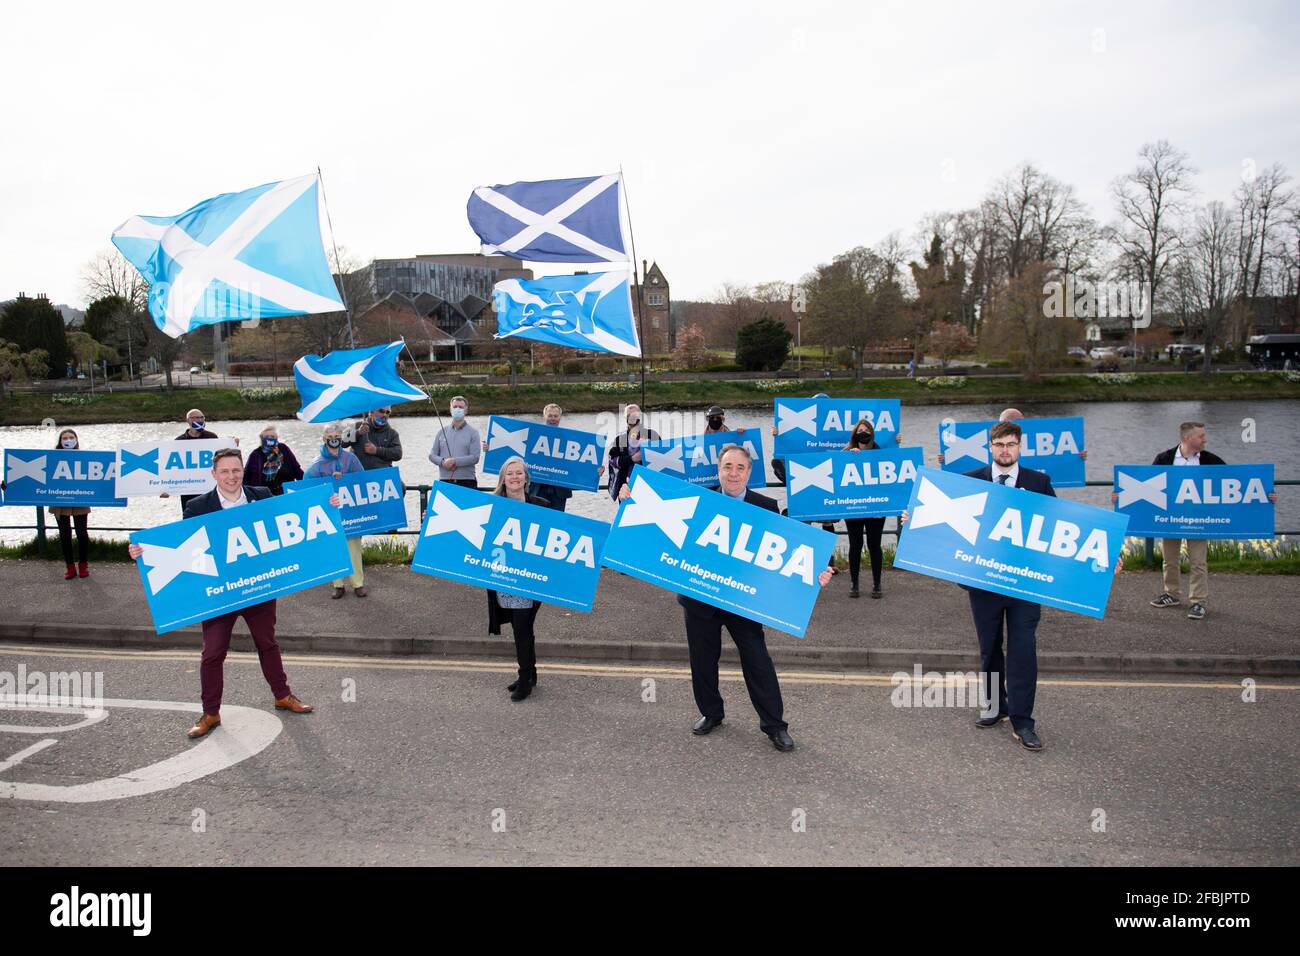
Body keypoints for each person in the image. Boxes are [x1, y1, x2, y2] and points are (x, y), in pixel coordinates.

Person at [620, 443, 834, 752]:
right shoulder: (696, 500)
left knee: (758, 660)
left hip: (744, 600)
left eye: (740, 468)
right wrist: (630, 497)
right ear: (718, 470)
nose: (733, 473)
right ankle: (711, 713)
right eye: (727, 467)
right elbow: (653, 519)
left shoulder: (766, 507)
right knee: (703, 660)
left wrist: (817, 572)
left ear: (749, 472)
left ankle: (775, 725)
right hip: (699, 597)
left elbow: (790, 554)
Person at [127, 448, 322, 739]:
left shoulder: (262, 495)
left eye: (236, 470)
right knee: (213, 653)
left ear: (243, 471)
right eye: (225, 471)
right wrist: (142, 552)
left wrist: (327, 504)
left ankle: (283, 695)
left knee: (267, 643)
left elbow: (295, 519)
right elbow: (179, 545)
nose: (231, 476)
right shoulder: (197, 506)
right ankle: (211, 713)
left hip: (259, 587)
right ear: (214, 474)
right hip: (220, 594)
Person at [1130, 421, 1276, 621]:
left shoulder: (1210, 460)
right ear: (1187, 438)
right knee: (1169, 559)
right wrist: (1120, 495)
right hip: (1170, 519)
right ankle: (1171, 594)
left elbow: (1237, 484)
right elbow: (1146, 486)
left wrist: (1265, 495)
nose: (1205, 439)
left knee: (1198, 562)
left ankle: (1198, 602)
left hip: (1200, 520)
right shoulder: (1164, 458)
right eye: (1201, 436)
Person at [486, 457, 550, 701]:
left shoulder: (541, 506)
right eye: (510, 473)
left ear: (526, 477)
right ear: (503, 478)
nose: (514, 477)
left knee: (522, 627)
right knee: (521, 628)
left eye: (519, 473)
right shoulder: (493, 505)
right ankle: (530, 674)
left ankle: (525, 680)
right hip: (505, 579)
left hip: (533, 579)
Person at [306, 423, 367, 599]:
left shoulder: (351, 459)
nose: (333, 439)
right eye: (330, 436)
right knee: (333, 547)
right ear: (324, 438)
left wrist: (345, 479)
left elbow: (361, 479)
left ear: (342, 438)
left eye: (337, 435)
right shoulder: (316, 463)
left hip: (349, 511)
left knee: (354, 547)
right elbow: (308, 484)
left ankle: (358, 583)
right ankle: (338, 584)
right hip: (329, 511)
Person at [938, 407, 1086, 466]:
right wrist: (948, 458)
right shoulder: (990, 441)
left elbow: (1056, 462)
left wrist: (1076, 457)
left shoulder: (1038, 440)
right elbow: (967, 469)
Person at [843, 418, 887, 599]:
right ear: (855, 434)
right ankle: (854, 584)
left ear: (871, 433)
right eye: (860, 430)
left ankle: (877, 584)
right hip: (853, 508)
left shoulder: (880, 453)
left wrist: (882, 508)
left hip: (875, 509)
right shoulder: (846, 452)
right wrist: (849, 457)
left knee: (874, 545)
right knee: (855, 545)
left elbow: (889, 483)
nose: (863, 433)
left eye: (866, 430)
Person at [52, 429, 92, 580]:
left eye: (71, 437)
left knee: (81, 533)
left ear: (76, 439)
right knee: (64, 535)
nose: (68, 440)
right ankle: (69, 567)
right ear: (60, 442)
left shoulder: (84, 457)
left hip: (80, 500)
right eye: (65, 438)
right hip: (59, 501)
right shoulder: (53, 458)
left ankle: (83, 565)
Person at [169, 408, 223, 513]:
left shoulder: (212, 437)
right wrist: (168, 489)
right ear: (188, 421)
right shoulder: (179, 441)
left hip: (209, 487)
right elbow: (174, 467)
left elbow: (221, 457)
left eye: (201, 417)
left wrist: (232, 443)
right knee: (190, 515)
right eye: (196, 418)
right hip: (188, 488)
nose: (200, 420)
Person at [607, 403, 659, 501]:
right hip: (626, 489)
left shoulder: (652, 435)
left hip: (649, 486)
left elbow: (662, 458)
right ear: (625, 418)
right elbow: (612, 461)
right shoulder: (620, 439)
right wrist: (632, 458)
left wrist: (647, 451)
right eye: (629, 415)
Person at [428, 395, 480, 488]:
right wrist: (443, 462)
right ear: (450, 409)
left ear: (466, 410)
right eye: (455, 407)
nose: (457, 409)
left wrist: (454, 461)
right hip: (445, 481)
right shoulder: (441, 432)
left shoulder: (473, 433)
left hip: (467, 482)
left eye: (460, 407)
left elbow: (475, 457)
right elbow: (432, 455)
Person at [243, 425, 303, 496]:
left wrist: (306, 486)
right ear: (262, 439)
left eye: (272, 437)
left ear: (276, 439)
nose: (270, 439)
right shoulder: (255, 454)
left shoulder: (284, 449)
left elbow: (297, 470)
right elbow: (246, 478)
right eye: (267, 437)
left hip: (286, 492)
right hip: (263, 496)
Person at [346, 406, 403, 471]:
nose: (385, 414)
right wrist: (358, 432)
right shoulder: (356, 426)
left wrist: (376, 450)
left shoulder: (392, 433)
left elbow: (398, 454)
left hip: (382, 475)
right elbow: (343, 443)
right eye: (381, 411)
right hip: (359, 474)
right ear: (371, 412)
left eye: (387, 412)